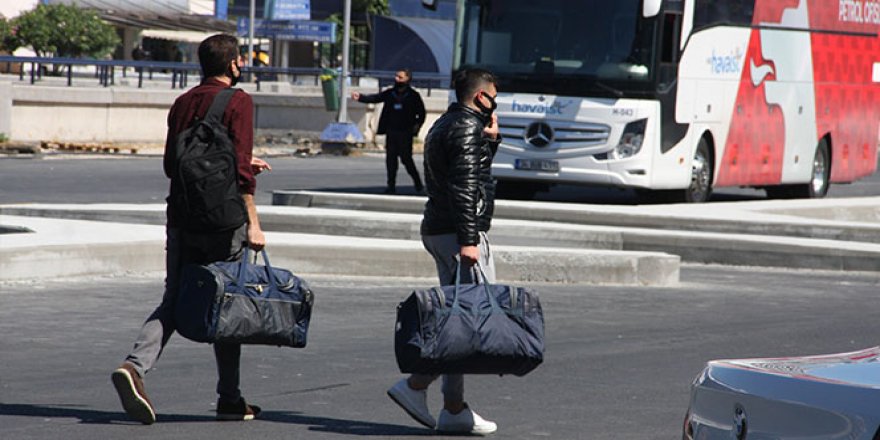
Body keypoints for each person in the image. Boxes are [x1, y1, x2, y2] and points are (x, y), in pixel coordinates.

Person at [111, 34, 271, 425]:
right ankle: (229, 398)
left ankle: (135, 366)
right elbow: (240, 173)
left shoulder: (182, 103)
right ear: (233, 64)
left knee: (174, 297)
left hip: (181, 216)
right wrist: (254, 221)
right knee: (228, 302)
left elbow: (171, 164)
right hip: (224, 221)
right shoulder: (239, 101)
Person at [386, 68, 501, 435]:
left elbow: (468, 172)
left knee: (462, 318)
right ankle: (417, 385)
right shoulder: (466, 128)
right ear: (482, 97)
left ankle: (454, 409)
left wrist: (491, 143)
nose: (496, 102)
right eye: (494, 95)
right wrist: (469, 240)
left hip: (441, 229)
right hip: (457, 234)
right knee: (468, 321)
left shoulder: (448, 123)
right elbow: (465, 186)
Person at [351, 69, 426, 195]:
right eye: (396, 76)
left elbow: (421, 113)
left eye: (400, 77)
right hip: (392, 131)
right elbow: (376, 98)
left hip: (405, 132)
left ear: (407, 79)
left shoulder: (413, 96)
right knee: (391, 160)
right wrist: (361, 98)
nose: (397, 79)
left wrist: (416, 127)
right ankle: (391, 185)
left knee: (406, 159)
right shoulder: (391, 93)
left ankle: (418, 183)